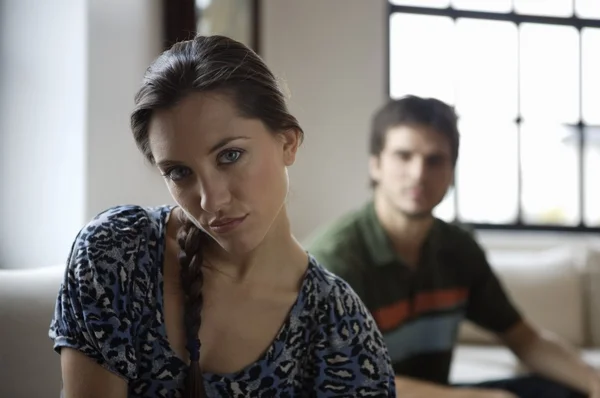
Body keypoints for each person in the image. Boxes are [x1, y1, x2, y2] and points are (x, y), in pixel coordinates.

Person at [48, 35, 396, 398]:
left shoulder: (341, 329)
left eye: (230, 156)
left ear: (288, 143)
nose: (211, 200)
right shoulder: (116, 254)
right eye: (179, 172)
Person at [307, 95, 600, 398]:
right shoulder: (337, 259)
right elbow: (351, 383)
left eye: (435, 160)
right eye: (404, 156)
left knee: (559, 390)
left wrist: (594, 382)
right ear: (376, 165)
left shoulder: (458, 249)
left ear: (451, 172)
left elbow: (525, 339)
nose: (419, 173)